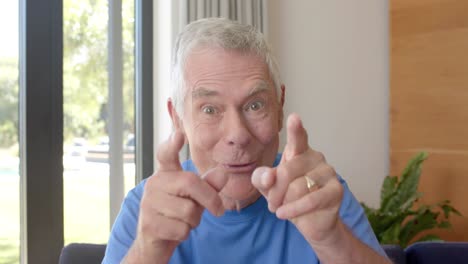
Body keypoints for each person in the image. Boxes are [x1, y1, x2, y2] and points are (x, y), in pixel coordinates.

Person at [102, 18, 391, 264]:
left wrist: (333, 241)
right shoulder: (146, 208)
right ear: (177, 119)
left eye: (255, 105)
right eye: (210, 109)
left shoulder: (315, 194)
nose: (237, 135)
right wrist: (147, 251)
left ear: (279, 108)